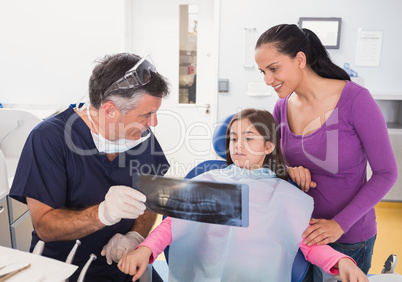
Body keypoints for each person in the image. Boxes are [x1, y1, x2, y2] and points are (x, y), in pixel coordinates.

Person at [117, 109, 368, 282]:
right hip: (204, 274)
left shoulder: (283, 195)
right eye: (234, 138)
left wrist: (341, 262)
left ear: (268, 147)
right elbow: (174, 225)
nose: (238, 145)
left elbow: (307, 242)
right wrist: (145, 249)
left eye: (249, 138)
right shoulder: (211, 180)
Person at [254, 24, 398, 280]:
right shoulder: (281, 108)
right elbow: (273, 165)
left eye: (273, 69)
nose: (267, 80)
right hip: (300, 236)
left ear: (300, 59)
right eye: (263, 71)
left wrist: (339, 225)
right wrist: (287, 170)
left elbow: (386, 173)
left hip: (349, 238)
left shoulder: (356, 100)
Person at [9, 53, 170, 281]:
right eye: (147, 114)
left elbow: (150, 201)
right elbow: (45, 225)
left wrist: (135, 235)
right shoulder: (49, 138)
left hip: (119, 271)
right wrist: (102, 214)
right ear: (110, 110)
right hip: (62, 272)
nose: (153, 123)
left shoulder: (141, 137)